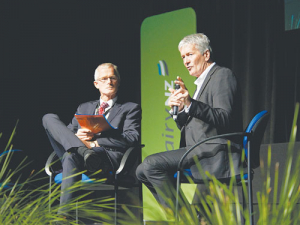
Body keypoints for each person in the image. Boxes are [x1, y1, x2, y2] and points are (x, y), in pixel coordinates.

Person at [136, 33, 243, 213]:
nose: (185, 61)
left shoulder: (222, 75)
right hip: (197, 148)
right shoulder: (201, 83)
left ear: (206, 55)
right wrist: (179, 110)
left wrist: (191, 104)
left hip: (214, 149)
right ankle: (188, 218)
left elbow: (224, 118)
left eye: (190, 55)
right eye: (183, 57)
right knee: (141, 171)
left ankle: (187, 219)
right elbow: (192, 124)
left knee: (151, 165)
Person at [42, 63, 141, 215]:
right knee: (48, 118)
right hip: (80, 153)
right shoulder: (84, 107)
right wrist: (76, 137)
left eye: (113, 78)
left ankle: (63, 218)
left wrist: (96, 142)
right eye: (104, 78)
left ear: (118, 81)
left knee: (70, 156)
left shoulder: (130, 108)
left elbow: (132, 138)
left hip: (103, 159)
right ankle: (82, 150)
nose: (109, 82)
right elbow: (65, 134)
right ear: (96, 84)